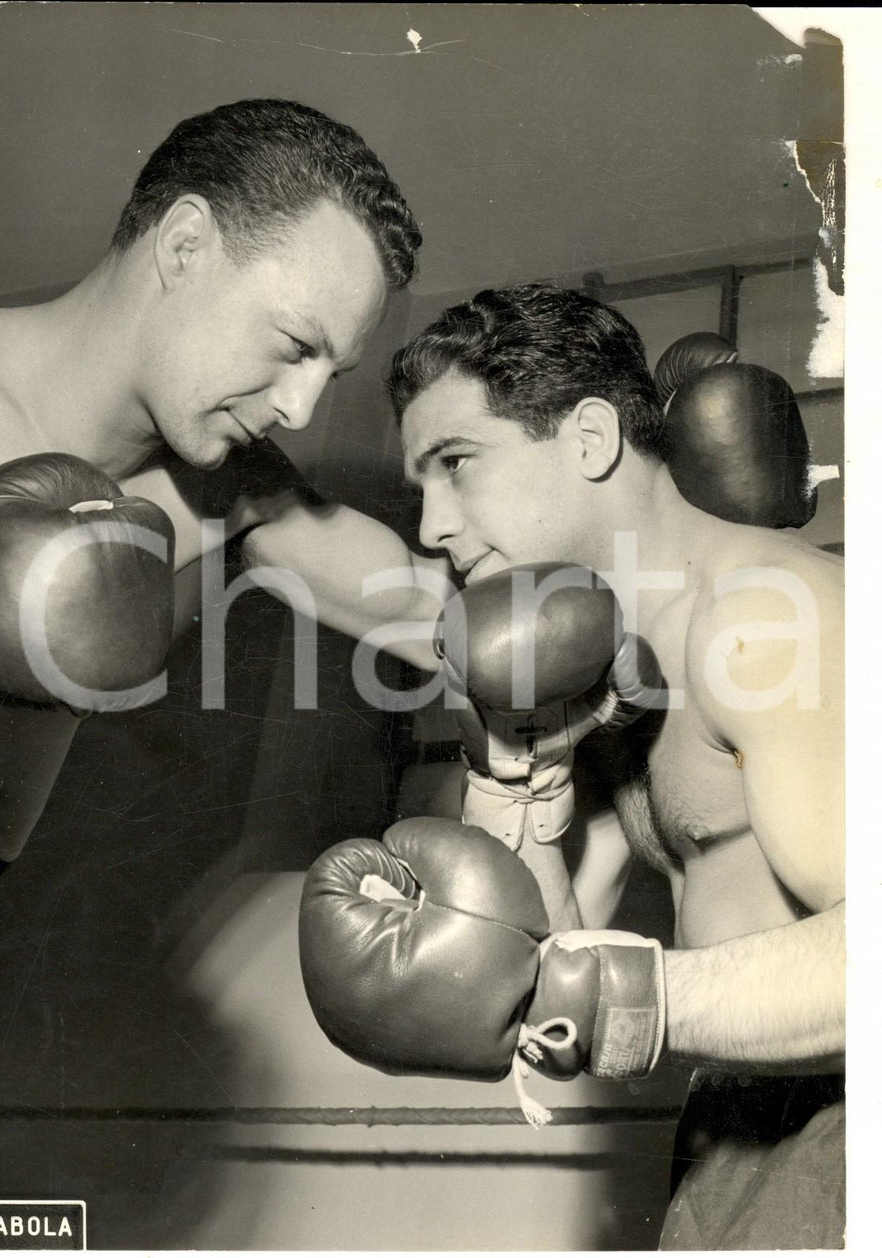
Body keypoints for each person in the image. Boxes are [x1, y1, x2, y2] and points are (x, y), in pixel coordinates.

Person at [0, 96, 423, 1204]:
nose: (298, 407)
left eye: (328, 376)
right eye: (294, 346)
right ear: (185, 244)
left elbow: (436, 615)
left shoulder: (225, 494)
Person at [276, 284, 844, 1250]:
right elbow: (553, 960)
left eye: (457, 464)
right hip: (731, 1129)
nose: (432, 527)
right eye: (421, 488)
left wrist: (624, 999)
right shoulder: (606, 665)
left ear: (589, 440)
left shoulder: (761, 618)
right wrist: (521, 778)